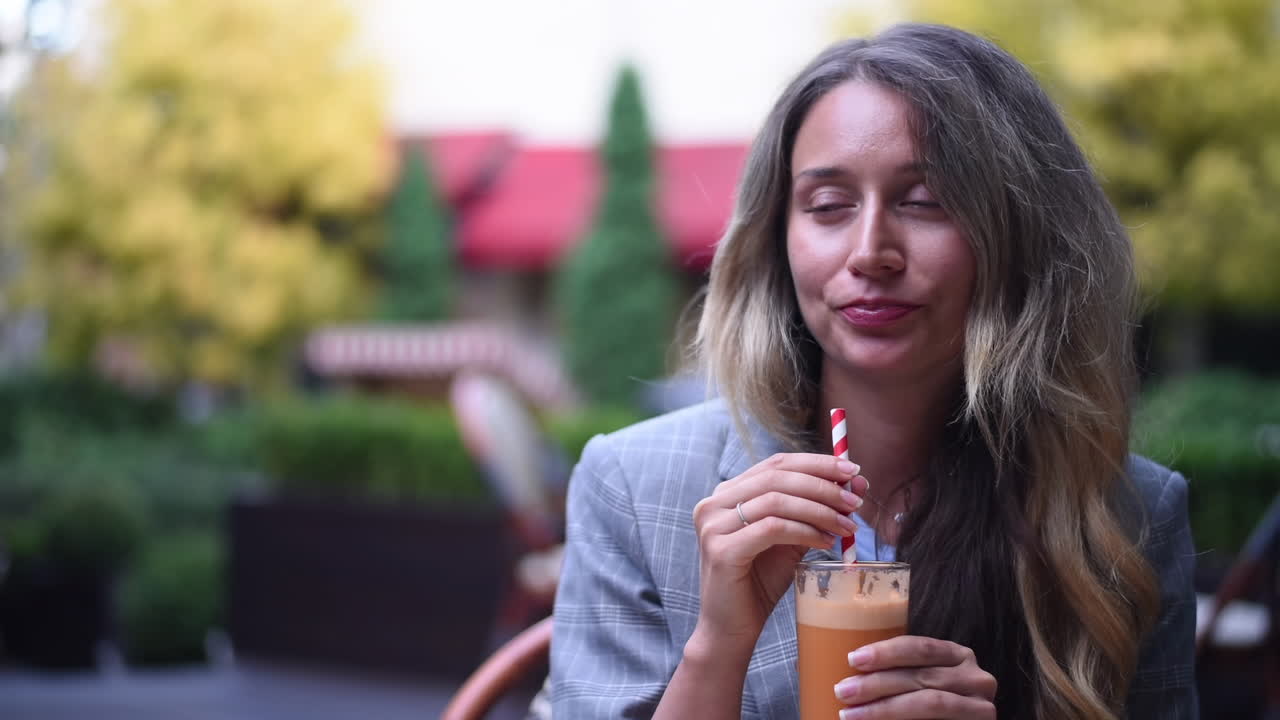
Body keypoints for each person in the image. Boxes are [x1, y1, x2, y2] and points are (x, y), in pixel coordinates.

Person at [549, 23, 1196, 719]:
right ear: (779, 237)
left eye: (926, 202)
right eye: (828, 207)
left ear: (1019, 234)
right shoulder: (636, 488)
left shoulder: (1124, 515)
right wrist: (718, 645)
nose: (870, 252)